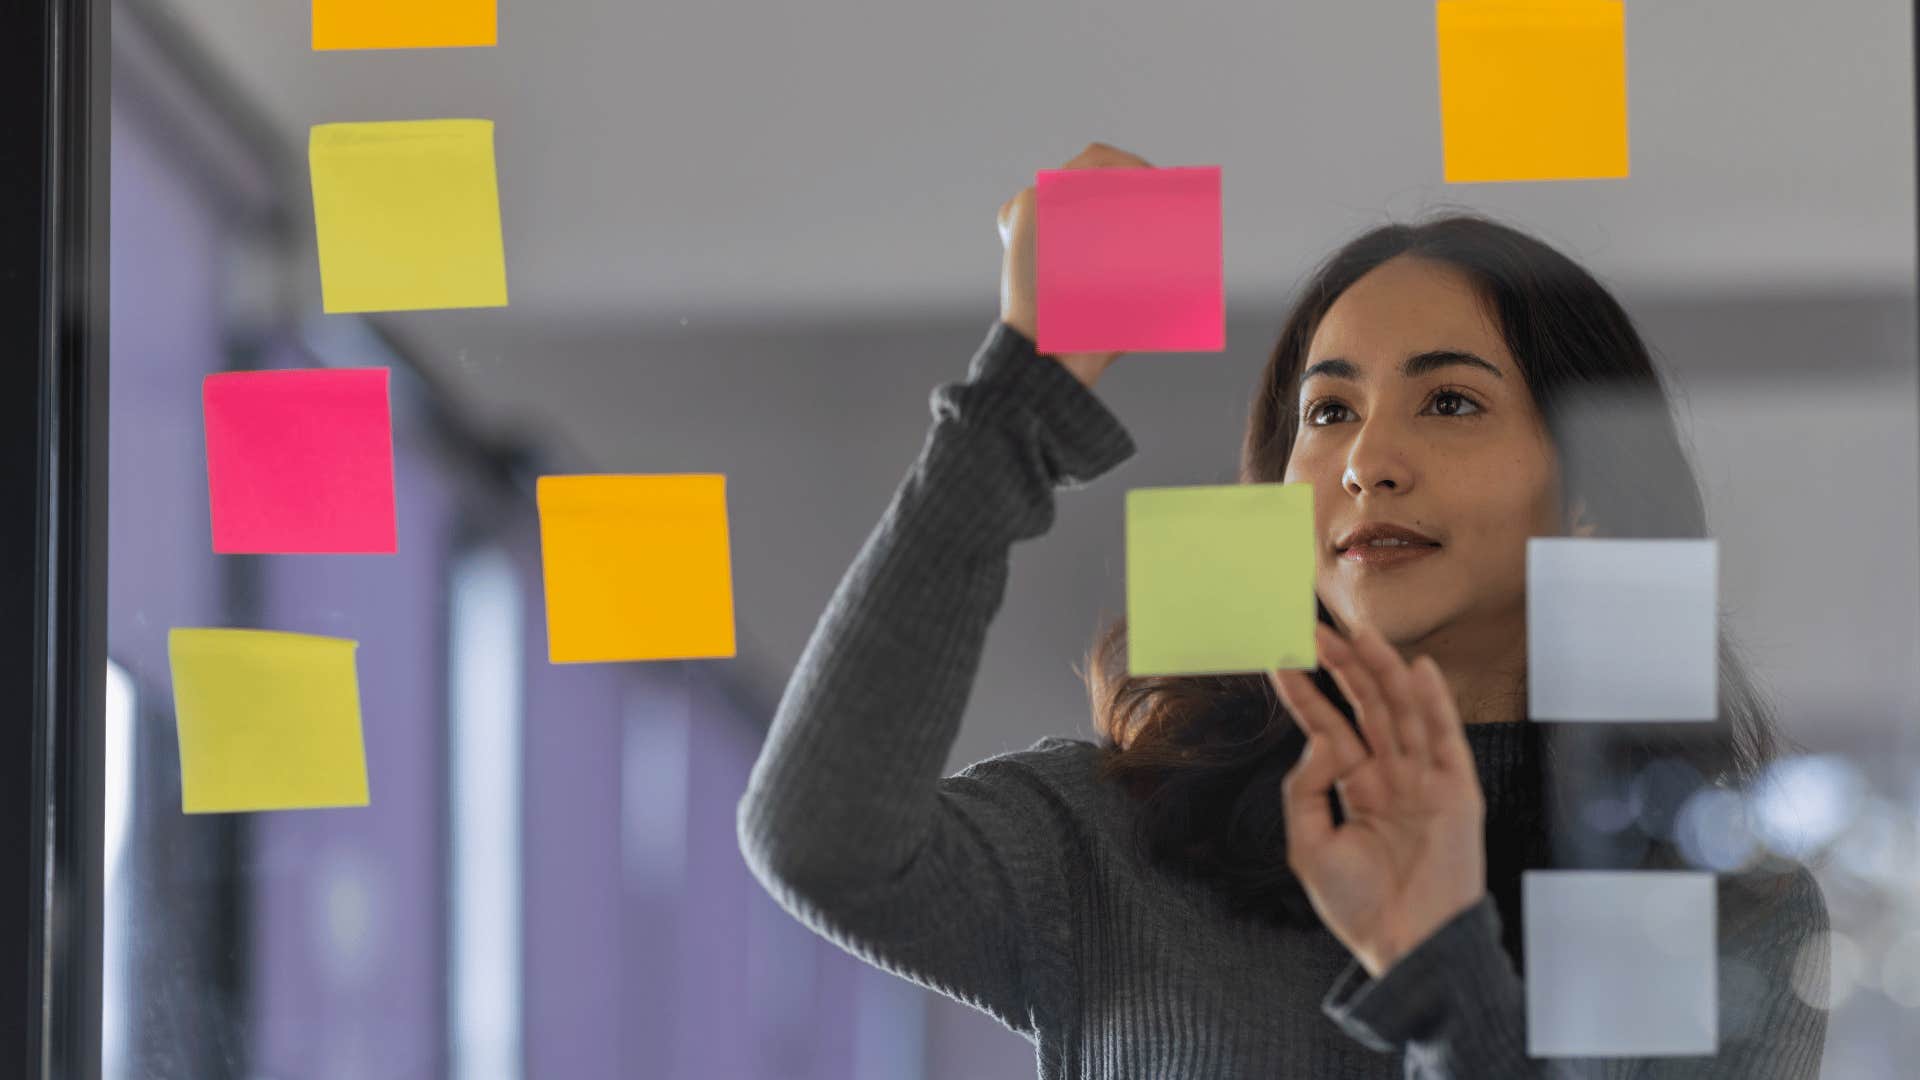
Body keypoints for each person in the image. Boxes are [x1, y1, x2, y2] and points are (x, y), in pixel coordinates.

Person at [738, 142, 1830, 1078]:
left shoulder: (1720, 911)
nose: (1365, 460)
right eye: (1329, 410)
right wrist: (1020, 395)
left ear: (1587, 492)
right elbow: (821, 843)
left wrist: (1442, 968)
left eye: (1449, 401)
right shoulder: (1117, 838)